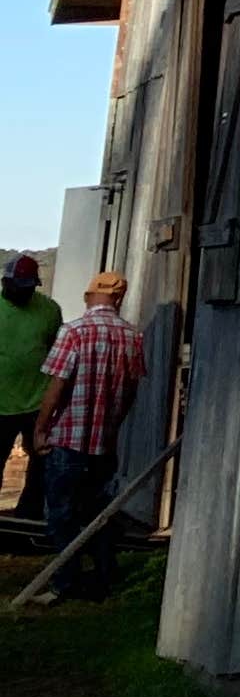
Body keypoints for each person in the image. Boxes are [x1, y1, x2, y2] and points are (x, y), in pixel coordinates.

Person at [32, 271, 149, 601]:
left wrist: (41, 429)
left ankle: (65, 582)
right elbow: (129, 392)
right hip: (105, 443)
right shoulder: (132, 336)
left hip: (68, 439)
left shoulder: (74, 331)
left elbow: (57, 385)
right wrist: (114, 425)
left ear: (90, 296)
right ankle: (103, 577)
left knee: (60, 512)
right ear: (119, 299)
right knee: (100, 513)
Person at [0, 257, 57, 525]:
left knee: (41, 464)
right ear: (5, 282)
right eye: (18, 285)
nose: (24, 291)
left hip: (37, 402)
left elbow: (57, 352)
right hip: (0, 405)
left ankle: (28, 518)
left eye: (29, 286)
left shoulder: (48, 310)